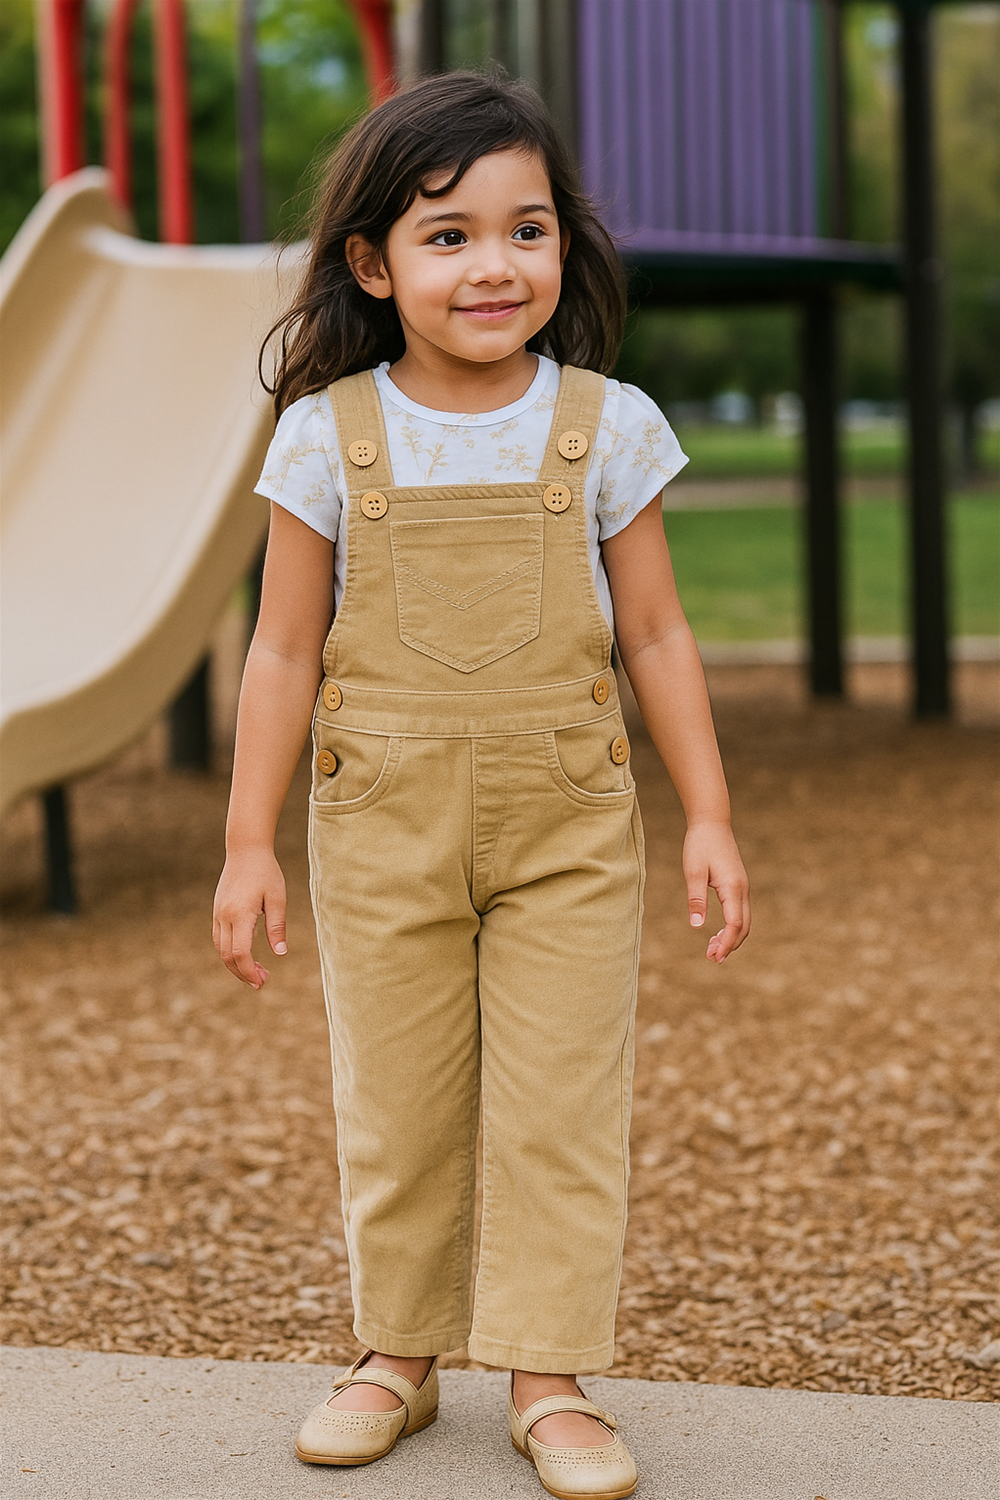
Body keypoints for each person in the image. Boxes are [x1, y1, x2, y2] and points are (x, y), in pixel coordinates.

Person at [213, 70, 749, 1500]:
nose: (493, 264)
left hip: (568, 814)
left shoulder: (608, 423)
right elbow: (278, 651)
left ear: (564, 247)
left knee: (563, 1097)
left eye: (525, 230)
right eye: (447, 236)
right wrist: (246, 847)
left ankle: (550, 1373)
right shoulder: (327, 433)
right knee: (396, 1096)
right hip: (379, 814)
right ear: (373, 266)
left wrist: (707, 812)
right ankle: (396, 1352)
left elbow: (655, 633)